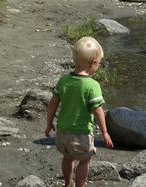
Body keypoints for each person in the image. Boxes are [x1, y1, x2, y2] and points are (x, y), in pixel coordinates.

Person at [45, 36, 114, 187]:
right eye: (99, 63)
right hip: (81, 133)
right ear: (94, 63)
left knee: (67, 158)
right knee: (85, 160)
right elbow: (98, 111)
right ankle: (80, 185)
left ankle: (67, 183)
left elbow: (52, 104)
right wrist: (105, 132)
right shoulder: (92, 85)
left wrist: (49, 124)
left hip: (62, 132)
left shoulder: (64, 80)